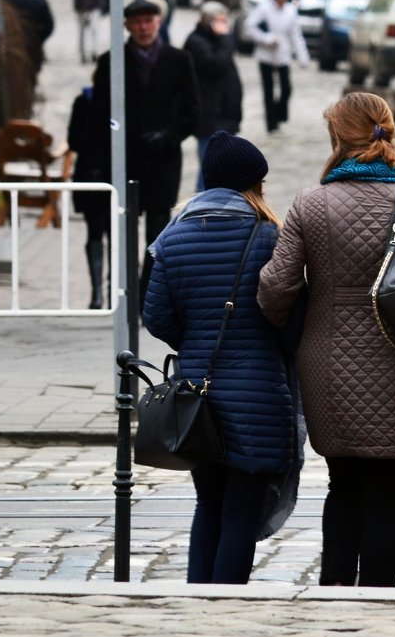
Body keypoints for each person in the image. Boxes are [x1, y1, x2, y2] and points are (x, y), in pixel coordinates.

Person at [257, 91, 395, 588]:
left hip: (331, 365)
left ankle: (335, 592)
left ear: (337, 137)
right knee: (393, 497)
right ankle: (379, 600)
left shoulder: (311, 205)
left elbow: (275, 289)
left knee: (344, 487)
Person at [142, 130, 296, 585]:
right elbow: (289, 316)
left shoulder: (171, 239)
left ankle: (197, 600)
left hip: (197, 397)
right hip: (259, 396)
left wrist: (197, 341)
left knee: (208, 503)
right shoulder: (270, 236)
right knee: (240, 514)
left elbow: (156, 317)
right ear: (252, 184)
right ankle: (227, 603)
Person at [87, 0, 199, 300]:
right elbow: (97, 115)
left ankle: (148, 295)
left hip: (162, 161)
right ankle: (120, 291)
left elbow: (192, 113)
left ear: (159, 23)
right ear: (127, 26)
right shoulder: (111, 62)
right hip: (123, 159)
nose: (144, 27)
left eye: (149, 21)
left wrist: (169, 135)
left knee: (158, 233)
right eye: (137, 22)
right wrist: (99, 159)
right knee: (121, 228)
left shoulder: (178, 60)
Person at [183, 2, 243, 191]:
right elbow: (215, 65)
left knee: (221, 169)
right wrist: (225, 39)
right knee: (209, 170)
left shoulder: (216, 41)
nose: (225, 26)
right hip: (210, 117)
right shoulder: (196, 42)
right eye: (220, 21)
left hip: (224, 115)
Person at [245, 0, 310, 134]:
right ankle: (271, 122)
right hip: (265, 54)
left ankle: (280, 114)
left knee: (286, 88)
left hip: (283, 54)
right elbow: (250, 26)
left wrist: (302, 56)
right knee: (268, 89)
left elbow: (295, 35)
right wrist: (266, 38)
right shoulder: (264, 9)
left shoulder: (290, 11)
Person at [67, 84, 109, 309]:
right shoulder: (84, 101)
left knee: (114, 235)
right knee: (96, 232)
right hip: (91, 176)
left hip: (114, 178)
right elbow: (74, 140)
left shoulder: (127, 99)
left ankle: (110, 292)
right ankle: (99, 292)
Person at [3, 0, 55, 80]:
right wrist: (39, 38)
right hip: (33, 46)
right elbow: (49, 25)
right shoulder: (39, 1)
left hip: (12, 45)